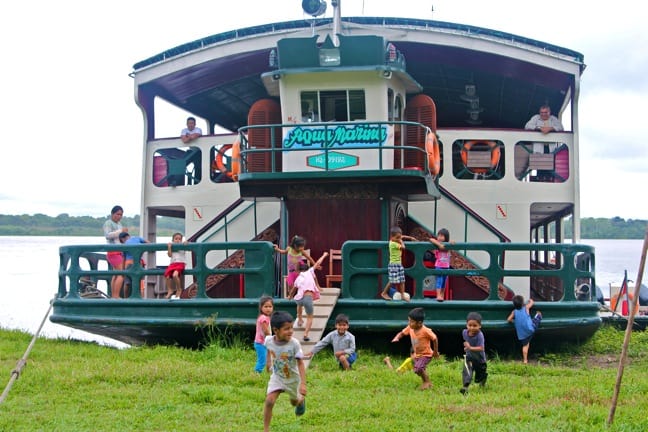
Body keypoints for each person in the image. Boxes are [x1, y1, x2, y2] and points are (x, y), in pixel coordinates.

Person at [263, 311, 307, 432]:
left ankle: (300, 401)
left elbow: (300, 363)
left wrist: (303, 383)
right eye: (286, 329)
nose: (291, 331)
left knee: (294, 402)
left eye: (291, 328)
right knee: (269, 401)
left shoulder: (294, 344)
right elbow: (268, 348)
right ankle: (266, 429)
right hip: (277, 376)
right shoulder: (269, 340)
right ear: (276, 330)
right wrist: (268, 362)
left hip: (292, 378)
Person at [391, 307, 439, 390]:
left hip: (426, 354)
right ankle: (427, 383)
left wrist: (435, 352)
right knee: (418, 370)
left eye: (411, 321)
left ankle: (427, 382)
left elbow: (434, 338)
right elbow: (402, 333)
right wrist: (397, 337)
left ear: (419, 323)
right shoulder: (410, 328)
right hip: (417, 355)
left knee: (419, 369)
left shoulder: (425, 330)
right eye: (408, 320)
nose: (409, 323)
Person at [291, 251, 328, 342]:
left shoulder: (298, 278)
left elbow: (293, 290)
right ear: (308, 269)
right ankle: (305, 334)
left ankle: (299, 319)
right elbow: (318, 262)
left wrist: (289, 296)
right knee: (310, 317)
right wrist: (324, 255)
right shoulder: (310, 272)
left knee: (299, 304)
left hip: (299, 298)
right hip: (308, 298)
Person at [274, 235, 317, 304]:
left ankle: (306, 295)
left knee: (302, 283)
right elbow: (283, 252)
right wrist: (277, 249)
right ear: (295, 245)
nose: (302, 248)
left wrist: (315, 264)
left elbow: (309, 257)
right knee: (290, 284)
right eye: (301, 246)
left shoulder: (301, 251)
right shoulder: (289, 249)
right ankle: (291, 297)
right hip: (291, 271)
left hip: (300, 270)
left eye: (303, 246)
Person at [380, 226, 416, 301]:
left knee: (402, 280)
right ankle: (384, 293)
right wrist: (401, 241)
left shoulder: (395, 239)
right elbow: (403, 247)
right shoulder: (393, 244)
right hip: (394, 264)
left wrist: (410, 238)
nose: (399, 239)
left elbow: (403, 236)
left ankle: (402, 295)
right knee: (392, 280)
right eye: (397, 238)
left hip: (399, 264)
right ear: (391, 237)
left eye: (399, 237)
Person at [507, 295, 543, 364]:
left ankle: (525, 360)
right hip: (530, 329)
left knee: (525, 346)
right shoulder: (526, 308)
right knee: (537, 317)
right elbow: (532, 302)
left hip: (522, 334)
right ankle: (538, 314)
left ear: (514, 304)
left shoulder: (514, 312)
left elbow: (508, 319)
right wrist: (530, 300)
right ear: (523, 303)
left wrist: (514, 321)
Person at [103, 205, 128, 298]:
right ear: (112, 214)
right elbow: (107, 235)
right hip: (113, 251)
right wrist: (121, 231)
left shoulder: (119, 224)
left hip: (119, 251)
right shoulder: (108, 223)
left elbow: (120, 237)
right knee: (121, 273)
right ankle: (116, 296)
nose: (119, 216)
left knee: (116, 273)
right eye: (117, 214)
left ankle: (114, 295)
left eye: (121, 214)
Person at [460, 312, 488, 394]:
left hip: (479, 358)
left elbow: (481, 348)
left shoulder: (480, 335)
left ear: (480, 326)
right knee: (467, 370)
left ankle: (482, 381)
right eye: (470, 325)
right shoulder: (464, 332)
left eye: (475, 326)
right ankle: (465, 387)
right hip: (469, 357)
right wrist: (467, 347)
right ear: (466, 325)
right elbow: (467, 341)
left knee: (480, 374)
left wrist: (470, 348)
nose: (472, 328)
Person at [118, 232, 149, 297]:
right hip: (139, 263)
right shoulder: (137, 238)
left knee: (127, 283)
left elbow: (124, 258)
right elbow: (148, 243)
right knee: (140, 283)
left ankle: (126, 299)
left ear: (122, 239)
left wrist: (122, 271)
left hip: (129, 264)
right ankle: (141, 299)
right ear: (129, 235)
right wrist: (142, 251)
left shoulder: (124, 244)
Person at [428, 228, 453, 302]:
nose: (439, 237)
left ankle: (442, 295)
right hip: (439, 265)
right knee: (439, 280)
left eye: (442, 236)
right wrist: (439, 245)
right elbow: (431, 239)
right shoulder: (437, 244)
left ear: (446, 237)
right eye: (438, 235)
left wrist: (451, 242)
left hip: (446, 266)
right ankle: (438, 295)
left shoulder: (447, 245)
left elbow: (452, 244)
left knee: (444, 281)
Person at [254, 296, 274, 374]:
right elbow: (266, 331)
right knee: (262, 360)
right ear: (261, 307)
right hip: (261, 343)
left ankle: (269, 371)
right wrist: (272, 338)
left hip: (265, 342)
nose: (268, 309)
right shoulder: (263, 318)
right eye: (266, 306)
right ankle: (256, 373)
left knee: (269, 358)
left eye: (270, 306)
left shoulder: (266, 317)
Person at [165, 232, 187, 299]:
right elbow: (170, 255)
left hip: (180, 263)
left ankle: (179, 289)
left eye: (179, 239)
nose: (178, 240)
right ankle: (170, 290)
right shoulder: (172, 246)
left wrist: (186, 243)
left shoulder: (182, 245)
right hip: (173, 263)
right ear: (173, 240)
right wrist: (169, 247)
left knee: (175, 275)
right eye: (176, 239)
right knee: (167, 276)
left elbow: (186, 248)